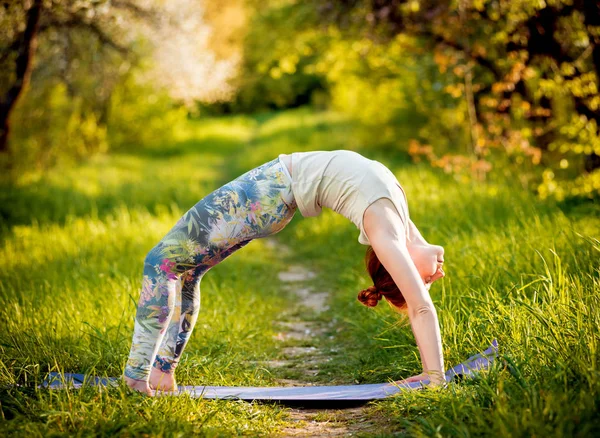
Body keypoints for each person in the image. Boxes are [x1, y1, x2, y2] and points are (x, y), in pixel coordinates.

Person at [123, 150, 445, 395]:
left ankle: (137, 376)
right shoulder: (398, 218)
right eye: (425, 281)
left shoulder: (385, 232)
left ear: (398, 266)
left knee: (159, 262)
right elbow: (415, 294)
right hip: (273, 193)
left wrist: (434, 377)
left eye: (423, 281)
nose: (435, 276)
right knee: (189, 271)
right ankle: (162, 372)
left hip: (268, 191)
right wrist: (417, 285)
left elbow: (420, 307)